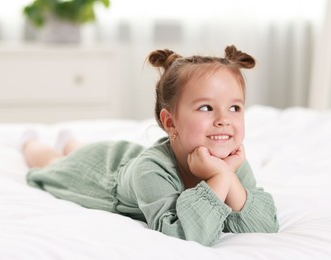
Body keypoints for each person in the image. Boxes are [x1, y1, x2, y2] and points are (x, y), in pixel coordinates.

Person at [23, 45, 279, 246]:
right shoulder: (151, 171)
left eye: (234, 107)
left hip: (126, 159)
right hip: (100, 171)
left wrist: (225, 175)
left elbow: (264, 224)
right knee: (53, 163)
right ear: (170, 122)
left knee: (75, 148)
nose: (224, 120)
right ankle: (31, 141)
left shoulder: (234, 162)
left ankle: (69, 140)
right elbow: (183, 234)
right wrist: (222, 176)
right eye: (206, 107)